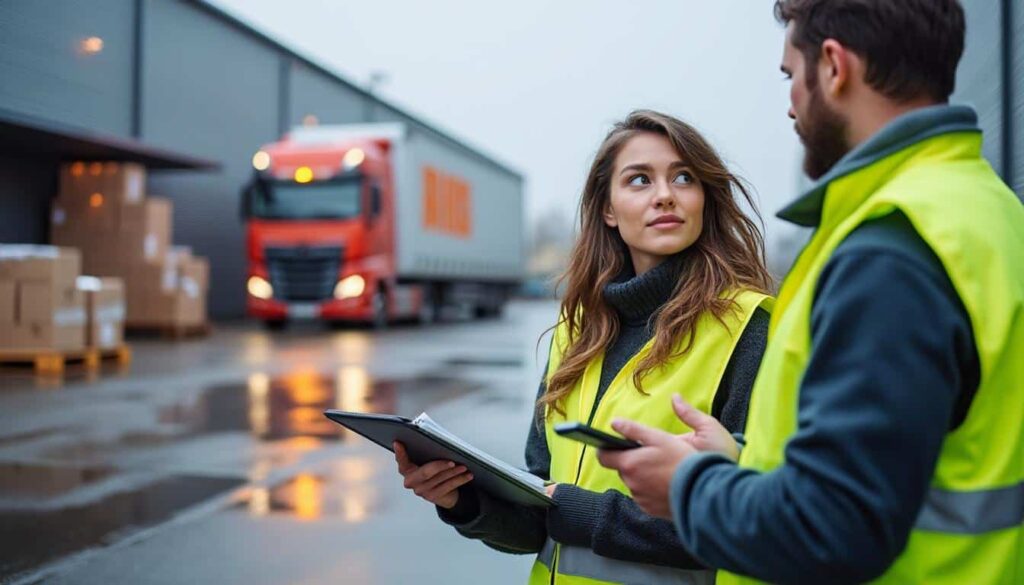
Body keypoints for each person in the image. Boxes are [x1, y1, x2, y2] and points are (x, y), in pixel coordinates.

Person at [599, 1, 1024, 584]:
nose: (791, 102)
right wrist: (742, 464)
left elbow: (835, 527)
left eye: (789, 76)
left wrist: (690, 487)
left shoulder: (890, 247)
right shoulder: (990, 210)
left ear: (832, 67)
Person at [392, 110, 774, 584]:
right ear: (608, 209)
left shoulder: (747, 327)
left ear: (704, 198)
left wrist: (581, 512)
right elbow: (542, 520)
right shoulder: (578, 332)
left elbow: (764, 521)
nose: (665, 195)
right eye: (639, 180)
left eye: (683, 177)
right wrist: (461, 499)